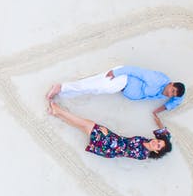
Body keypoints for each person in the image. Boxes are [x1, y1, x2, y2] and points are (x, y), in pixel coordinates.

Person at [47, 101, 173, 160]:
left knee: (86, 124)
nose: (155, 142)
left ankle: (58, 110)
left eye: (158, 145)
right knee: (83, 126)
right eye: (158, 141)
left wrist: (106, 136)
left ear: (156, 151)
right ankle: (56, 114)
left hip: (109, 146)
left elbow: (121, 149)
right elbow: (165, 135)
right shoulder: (147, 141)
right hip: (113, 138)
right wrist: (159, 123)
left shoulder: (142, 154)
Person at [46, 65, 185, 115]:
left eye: (172, 94)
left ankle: (63, 91)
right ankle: (61, 87)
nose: (170, 94)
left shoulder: (164, 95)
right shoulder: (158, 80)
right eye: (172, 90)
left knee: (94, 88)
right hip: (123, 78)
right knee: (94, 86)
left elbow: (178, 99)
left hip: (121, 87)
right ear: (171, 83)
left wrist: (159, 110)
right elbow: (138, 71)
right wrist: (117, 72)